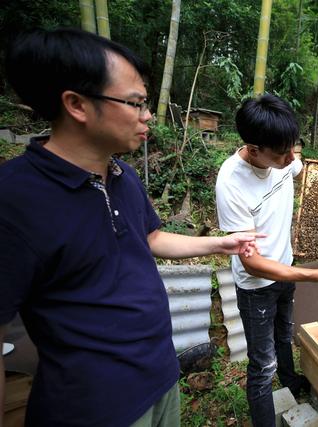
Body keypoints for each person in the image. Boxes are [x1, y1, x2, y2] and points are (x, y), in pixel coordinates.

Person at [0, 28, 263, 427]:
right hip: (95, 408)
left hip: (160, 378)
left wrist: (221, 244)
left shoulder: (122, 175)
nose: (147, 117)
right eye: (136, 103)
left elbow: (151, 238)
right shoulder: (15, 200)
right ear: (77, 104)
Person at [215, 94, 318, 426]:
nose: (291, 158)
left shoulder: (282, 156)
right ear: (253, 150)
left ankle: (291, 382)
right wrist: (314, 275)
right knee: (261, 365)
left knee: (285, 335)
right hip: (256, 288)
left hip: (284, 272)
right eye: (282, 154)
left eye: (293, 149)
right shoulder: (232, 184)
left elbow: (299, 172)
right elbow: (251, 263)